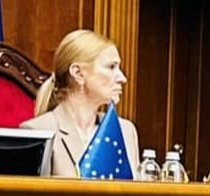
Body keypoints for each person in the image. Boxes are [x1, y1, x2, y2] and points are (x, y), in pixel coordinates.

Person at [20, 29, 139, 177]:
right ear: (78, 73)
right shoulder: (38, 132)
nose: (122, 78)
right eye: (111, 67)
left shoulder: (125, 131)